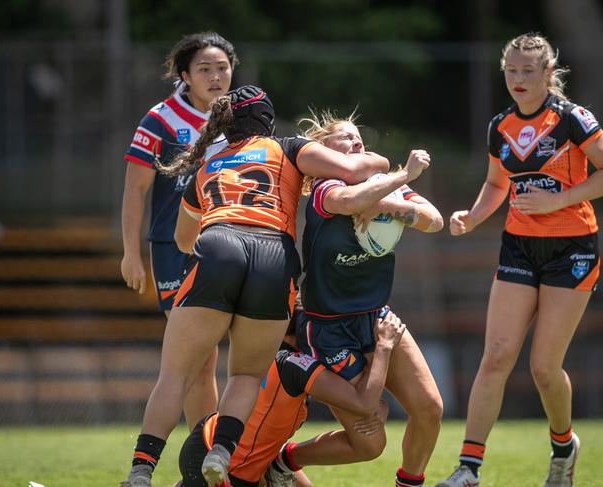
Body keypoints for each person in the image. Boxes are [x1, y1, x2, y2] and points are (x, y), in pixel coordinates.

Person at [123, 85, 390, 487]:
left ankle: (141, 471)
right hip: (273, 255)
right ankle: (221, 451)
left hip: (218, 246)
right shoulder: (286, 147)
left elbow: (182, 240)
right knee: (245, 376)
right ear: (266, 119)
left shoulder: (208, 164)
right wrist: (394, 165)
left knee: (174, 375)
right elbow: (355, 170)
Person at [436, 33, 603, 487]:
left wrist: (562, 198)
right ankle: (468, 469)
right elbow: (497, 184)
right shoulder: (499, 126)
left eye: (528, 71)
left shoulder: (572, 119)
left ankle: (563, 446)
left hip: (573, 248)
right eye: (511, 71)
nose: (518, 79)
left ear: (547, 73)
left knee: (544, 367)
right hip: (519, 246)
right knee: (497, 354)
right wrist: (474, 216)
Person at [278, 111, 444, 487]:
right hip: (328, 329)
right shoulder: (324, 188)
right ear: (322, 150)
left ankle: (409, 483)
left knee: (430, 409)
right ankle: (284, 461)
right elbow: (349, 201)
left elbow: (435, 221)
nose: (356, 144)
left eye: (359, 139)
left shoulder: (382, 187)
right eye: (345, 138)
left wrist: (393, 205)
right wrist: (404, 176)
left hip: (376, 317)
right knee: (369, 442)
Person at [121, 31, 238, 428]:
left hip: (229, 244)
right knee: (197, 359)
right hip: (174, 249)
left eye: (222, 68)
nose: (215, 76)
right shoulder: (160, 118)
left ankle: (217, 456)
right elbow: (135, 189)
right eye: (204, 69)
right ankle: (201, 455)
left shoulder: (240, 116)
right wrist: (130, 253)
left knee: (226, 358)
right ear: (185, 75)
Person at [171, 301, 405, 487]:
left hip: (210, 443)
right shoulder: (294, 365)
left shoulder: (268, 352)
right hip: (232, 469)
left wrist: (379, 408)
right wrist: (383, 346)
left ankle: (281, 464)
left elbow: (364, 404)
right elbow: (363, 402)